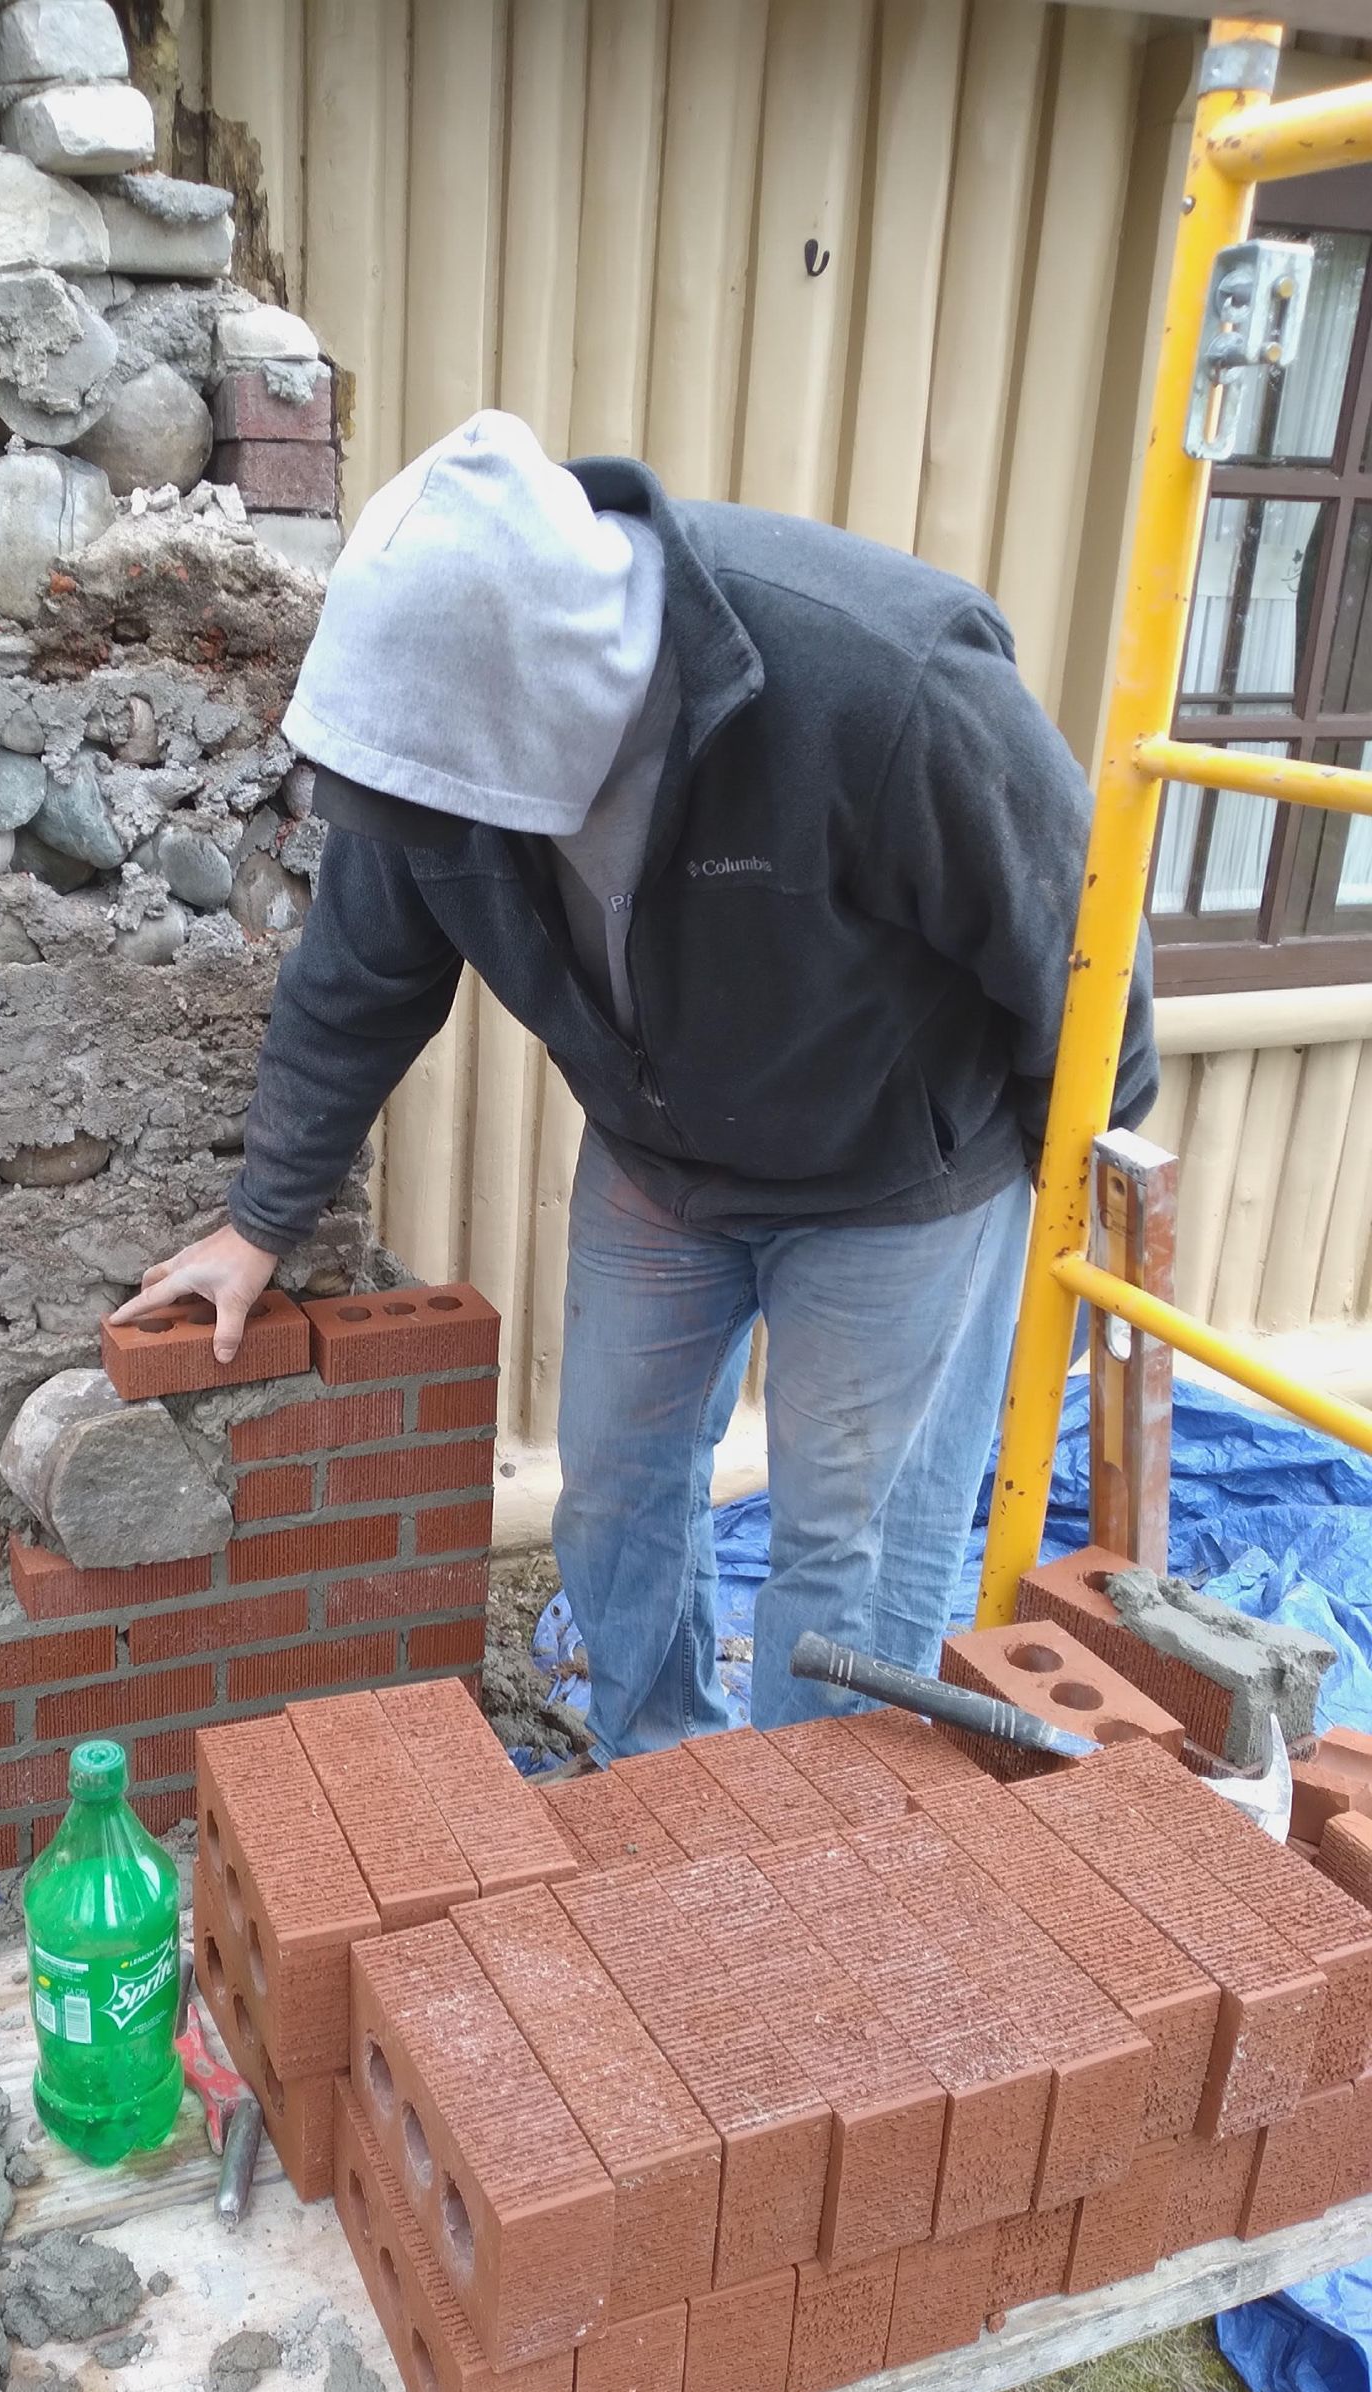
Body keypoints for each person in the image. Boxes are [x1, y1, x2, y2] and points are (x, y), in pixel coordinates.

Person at [112, 410, 1156, 1760]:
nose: (427, 831)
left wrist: (1062, 1211)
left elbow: (1079, 958)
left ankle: (818, 1830)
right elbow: (358, 982)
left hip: (900, 1178)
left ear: (557, 703)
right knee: (611, 1492)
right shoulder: (435, 745)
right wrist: (262, 1222)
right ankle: (664, 1771)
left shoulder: (878, 681)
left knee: (849, 1538)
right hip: (663, 1159)